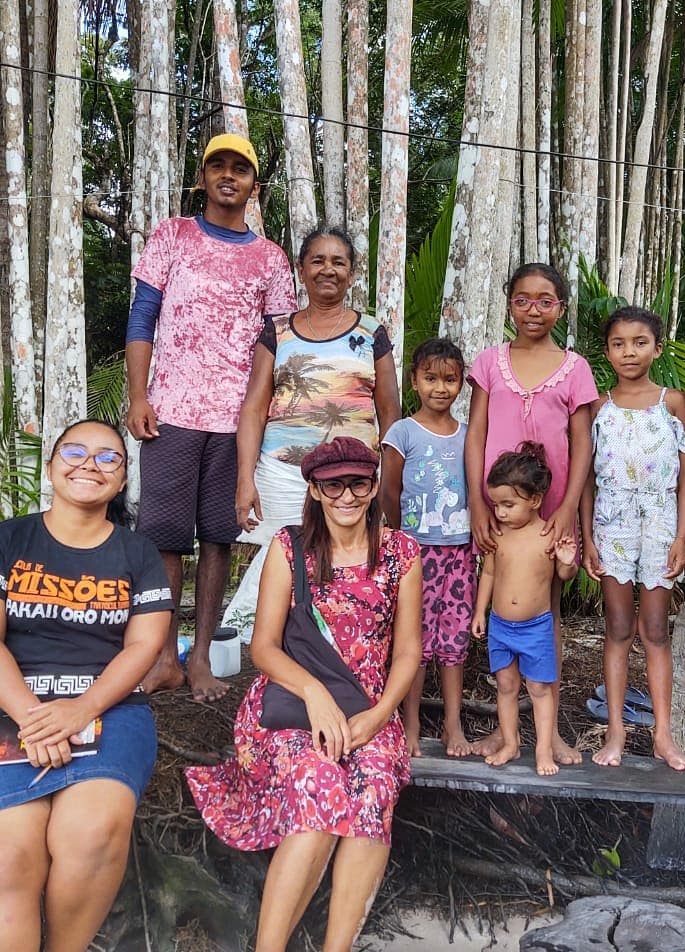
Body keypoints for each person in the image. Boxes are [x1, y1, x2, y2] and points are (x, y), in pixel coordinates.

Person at [185, 437, 421, 952]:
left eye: (358, 482)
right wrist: (314, 693)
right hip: (289, 704)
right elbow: (264, 647)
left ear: (374, 484)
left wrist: (381, 715)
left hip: (367, 711)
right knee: (321, 785)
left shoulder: (402, 553)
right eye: (332, 484)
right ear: (313, 489)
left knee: (377, 787)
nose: (346, 495)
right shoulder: (289, 549)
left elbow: (407, 653)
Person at [126, 133, 297, 701]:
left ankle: (200, 658)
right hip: (171, 410)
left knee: (219, 537)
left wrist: (271, 419)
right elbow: (143, 317)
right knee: (165, 540)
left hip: (237, 419)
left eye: (240, 169)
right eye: (217, 166)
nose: (229, 176)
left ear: (254, 185)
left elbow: (280, 344)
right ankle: (164, 656)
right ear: (202, 177)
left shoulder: (270, 259)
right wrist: (138, 395)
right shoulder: (172, 235)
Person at [0, 420, 173, 952]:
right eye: (74, 452)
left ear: (121, 481)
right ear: (51, 467)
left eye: (108, 458)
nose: (89, 465)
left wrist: (80, 710)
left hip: (108, 707)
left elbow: (143, 649)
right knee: (12, 850)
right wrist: (34, 717)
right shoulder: (9, 540)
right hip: (12, 704)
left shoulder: (139, 554)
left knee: (91, 830)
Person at [224, 225, 402, 638]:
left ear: (352, 273)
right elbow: (253, 407)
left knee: (345, 564)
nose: (328, 270)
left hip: (353, 478)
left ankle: (339, 650)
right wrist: (244, 478)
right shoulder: (277, 331)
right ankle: (279, 656)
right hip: (284, 475)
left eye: (338, 262)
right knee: (285, 563)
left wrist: (390, 484)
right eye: (317, 261)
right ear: (301, 271)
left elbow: (390, 415)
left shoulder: (371, 334)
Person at [465, 263, 598, 765]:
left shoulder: (574, 367)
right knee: (498, 599)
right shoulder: (490, 363)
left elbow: (582, 443)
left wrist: (565, 509)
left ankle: (550, 733)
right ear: (509, 304)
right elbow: (475, 433)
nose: (534, 310)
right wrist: (479, 502)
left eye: (546, 301)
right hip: (498, 505)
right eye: (523, 300)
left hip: (550, 507)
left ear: (560, 308)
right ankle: (508, 732)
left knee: (547, 611)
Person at [580, 307, 685, 770]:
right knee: (617, 628)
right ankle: (615, 733)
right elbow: (587, 476)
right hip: (613, 524)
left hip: (661, 523)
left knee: (655, 630)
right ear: (607, 351)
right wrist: (588, 535)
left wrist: (681, 535)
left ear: (658, 347)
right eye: (618, 344)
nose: (629, 352)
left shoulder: (673, 402)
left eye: (639, 342)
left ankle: (663, 735)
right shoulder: (598, 407)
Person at [381, 338, 473, 758]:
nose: (441, 388)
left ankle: (453, 726)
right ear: (414, 381)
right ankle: (410, 724)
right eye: (431, 378)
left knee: (453, 641)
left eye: (450, 380)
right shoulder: (402, 432)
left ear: (461, 384)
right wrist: (400, 541)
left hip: (460, 553)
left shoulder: (470, 435)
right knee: (414, 643)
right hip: (414, 554)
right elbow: (390, 491)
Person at [470, 443, 578, 776]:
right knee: (505, 686)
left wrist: (568, 563)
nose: (500, 512)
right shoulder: (497, 535)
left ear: (534, 500)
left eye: (508, 504)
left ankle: (543, 750)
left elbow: (563, 576)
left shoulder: (547, 535)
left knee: (540, 689)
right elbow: (488, 573)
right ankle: (510, 743)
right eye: (496, 505)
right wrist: (479, 612)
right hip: (501, 625)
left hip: (536, 627)